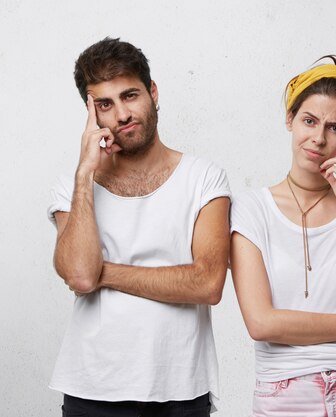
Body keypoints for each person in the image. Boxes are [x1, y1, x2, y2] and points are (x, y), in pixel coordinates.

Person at [47, 37, 231, 417]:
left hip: (180, 390)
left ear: (152, 91)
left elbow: (208, 283)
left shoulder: (204, 178)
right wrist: (85, 172)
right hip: (93, 388)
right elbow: (82, 276)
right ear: (91, 114)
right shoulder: (73, 187)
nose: (121, 114)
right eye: (105, 104)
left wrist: (106, 273)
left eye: (130, 95)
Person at [230, 55, 336, 417]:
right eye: (309, 121)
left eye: (335, 128)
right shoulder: (251, 210)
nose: (319, 138)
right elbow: (262, 323)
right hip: (284, 392)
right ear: (290, 119)